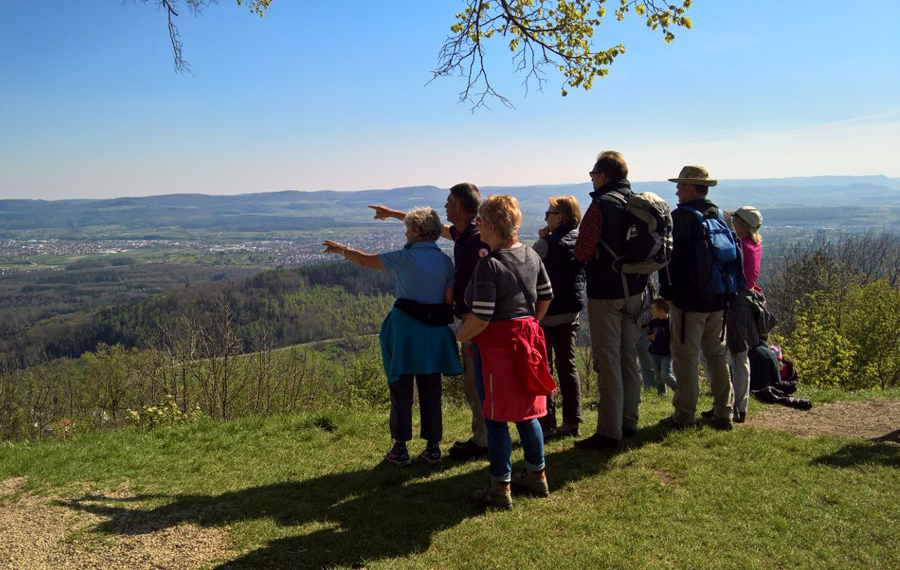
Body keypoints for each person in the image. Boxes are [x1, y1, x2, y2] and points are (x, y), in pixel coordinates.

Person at [323, 207, 462, 465]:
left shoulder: (405, 257)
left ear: (417, 233)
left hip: (405, 330)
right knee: (431, 388)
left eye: (408, 228)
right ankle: (433, 447)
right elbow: (448, 299)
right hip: (434, 332)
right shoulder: (445, 261)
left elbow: (367, 260)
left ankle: (400, 448)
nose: (406, 232)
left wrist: (342, 250)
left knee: (401, 387)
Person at [369, 183, 491, 461]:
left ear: (459, 206)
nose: (446, 206)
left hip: (475, 321)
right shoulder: (463, 239)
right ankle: (442, 444)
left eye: (449, 202)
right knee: (440, 389)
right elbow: (435, 231)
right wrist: (394, 213)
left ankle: (482, 441)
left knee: (477, 385)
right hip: (452, 324)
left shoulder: (474, 239)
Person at [457, 195, 555, 509]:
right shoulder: (529, 254)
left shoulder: (490, 264)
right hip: (527, 342)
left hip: (497, 346)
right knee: (528, 414)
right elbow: (546, 295)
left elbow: (483, 314)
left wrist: (462, 336)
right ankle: (537, 477)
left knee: (496, 418)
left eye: (480, 221)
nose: (477, 226)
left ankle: (501, 488)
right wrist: (531, 324)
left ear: (493, 226)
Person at [573, 151, 648, 450]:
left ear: (603, 176)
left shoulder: (601, 205)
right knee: (628, 357)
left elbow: (582, 250)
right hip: (637, 290)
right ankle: (629, 422)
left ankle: (608, 432)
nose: (590, 177)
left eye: (593, 173)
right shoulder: (638, 201)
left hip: (606, 292)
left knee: (608, 360)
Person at [658, 165, 734, 430]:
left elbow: (671, 261)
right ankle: (724, 412)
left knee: (685, 357)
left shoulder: (681, 218)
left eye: (680, 186)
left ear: (690, 188)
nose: (677, 191)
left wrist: (667, 296)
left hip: (689, 302)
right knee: (717, 355)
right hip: (719, 299)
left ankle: (684, 414)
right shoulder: (720, 215)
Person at [532, 195, 586, 439]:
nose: (545, 217)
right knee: (568, 365)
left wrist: (543, 239)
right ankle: (573, 420)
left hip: (547, 312)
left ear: (560, 217)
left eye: (549, 213)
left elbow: (528, 265)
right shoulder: (580, 239)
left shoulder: (547, 243)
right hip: (571, 310)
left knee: (545, 367)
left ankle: (547, 423)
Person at [706, 205, 764, 423]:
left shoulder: (742, 246)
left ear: (742, 225)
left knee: (737, 356)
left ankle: (736, 406)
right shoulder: (754, 245)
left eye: (735, 221)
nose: (732, 224)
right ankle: (736, 404)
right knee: (738, 356)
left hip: (737, 303)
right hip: (745, 302)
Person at [647, 298, 677, 396]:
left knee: (666, 375)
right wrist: (649, 337)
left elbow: (671, 339)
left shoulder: (670, 323)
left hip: (666, 354)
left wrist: (657, 338)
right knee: (658, 375)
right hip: (654, 352)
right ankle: (661, 393)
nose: (651, 311)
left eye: (652, 309)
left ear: (660, 311)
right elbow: (649, 334)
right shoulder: (653, 322)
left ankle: (678, 388)